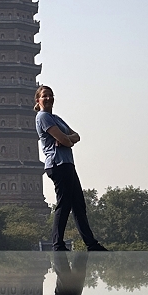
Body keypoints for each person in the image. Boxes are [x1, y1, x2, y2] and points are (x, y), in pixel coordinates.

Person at [34, 85, 108, 252]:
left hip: (67, 164)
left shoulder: (56, 118)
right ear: (38, 101)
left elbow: (76, 136)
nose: (48, 98)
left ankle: (91, 244)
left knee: (78, 204)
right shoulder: (43, 117)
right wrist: (67, 139)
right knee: (64, 203)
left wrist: (67, 138)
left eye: (50, 95)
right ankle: (58, 244)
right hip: (57, 164)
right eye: (44, 96)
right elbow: (68, 141)